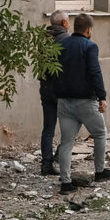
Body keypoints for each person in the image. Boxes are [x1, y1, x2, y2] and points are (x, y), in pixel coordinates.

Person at [54, 14, 110, 194]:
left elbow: (53, 73)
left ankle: (65, 183)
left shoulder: (60, 45)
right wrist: (102, 97)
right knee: (100, 133)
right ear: (89, 30)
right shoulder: (90, 46)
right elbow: (95, 72)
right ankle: (100, 171)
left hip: (64, 101)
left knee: (66, 142)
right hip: (85, 101)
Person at [38, 11, 70, 175]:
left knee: (48, 129)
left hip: (46, 89)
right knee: (70, 127)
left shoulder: (42, 39)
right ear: (64, 23)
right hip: (62, 91)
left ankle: (46, 164)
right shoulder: (66, 40)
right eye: (68, 21)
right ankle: (58, 156)